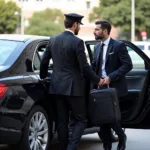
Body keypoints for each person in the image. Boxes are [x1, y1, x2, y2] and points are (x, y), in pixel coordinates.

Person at [40, 13, 103, 150]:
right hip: (74, 88)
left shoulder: (53, 39)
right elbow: (85, 68)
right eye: (79, 25)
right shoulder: (77, 42)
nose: (79, 27)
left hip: (56, 86)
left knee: (62, 121)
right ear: (75, 24)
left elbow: (44, 61)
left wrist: (43, 76)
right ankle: (71, 147)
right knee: (81, 119)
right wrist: (98, 80)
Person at [92, 20, 133, 150]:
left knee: (112, 118)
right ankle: (107, 147)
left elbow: (128, 65)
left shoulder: (118, 45)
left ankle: (121, 136)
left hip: (115, 88)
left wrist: (111, 77)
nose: (94, 31)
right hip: (101, 88)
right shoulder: (97, 47)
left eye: (97, 29)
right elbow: (94, 67)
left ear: (105, 31)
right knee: (103, 119)